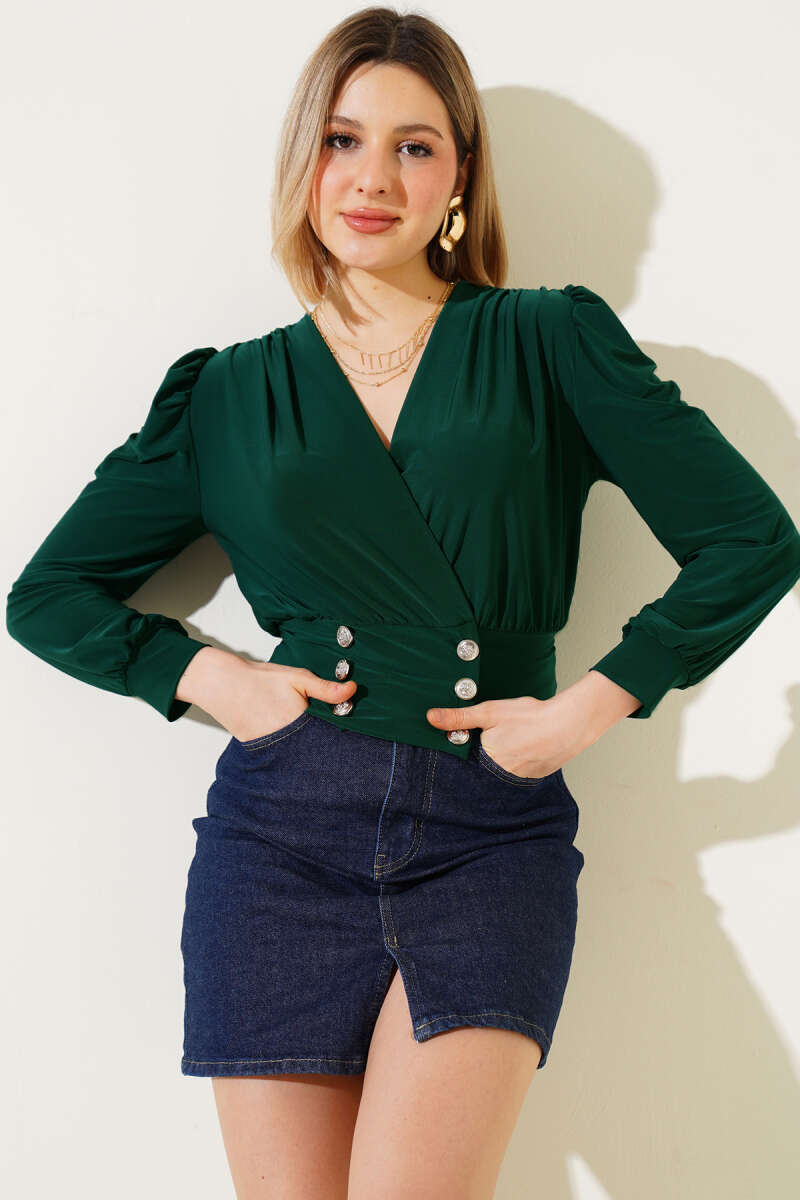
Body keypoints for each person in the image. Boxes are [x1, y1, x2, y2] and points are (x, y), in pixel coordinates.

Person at [6, 7, 800, 1198]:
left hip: (489, 830)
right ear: (302, 161)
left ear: (458, 177)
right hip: (276, 836)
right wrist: (214, 679)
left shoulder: (548, 340)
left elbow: (749, 538)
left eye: (412, 146)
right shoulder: (226, 393)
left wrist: (586, 707)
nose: (372, 177)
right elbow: (48, 594)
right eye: (341, 140)